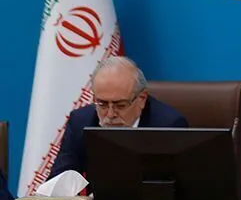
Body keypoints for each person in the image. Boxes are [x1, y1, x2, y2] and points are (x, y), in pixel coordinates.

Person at [49, 56, 188, 180]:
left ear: (142, 98)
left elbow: (180, 190)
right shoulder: (80, 121)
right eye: (102, 104)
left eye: (120, 105)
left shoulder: (168, 126)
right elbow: (59, 179)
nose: (110, 114)